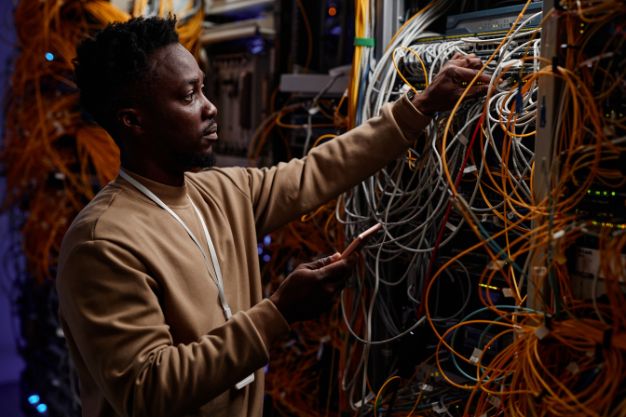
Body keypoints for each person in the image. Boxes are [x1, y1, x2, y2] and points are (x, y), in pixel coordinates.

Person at [56, 16, 489, 417]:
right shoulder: (103, 242)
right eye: (189, 96)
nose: (211, 108)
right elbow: (146, 390)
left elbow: (317, 172)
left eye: (204, 89)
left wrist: (423, 104)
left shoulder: (220, 192)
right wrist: (279, 312)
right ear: (133, 121)